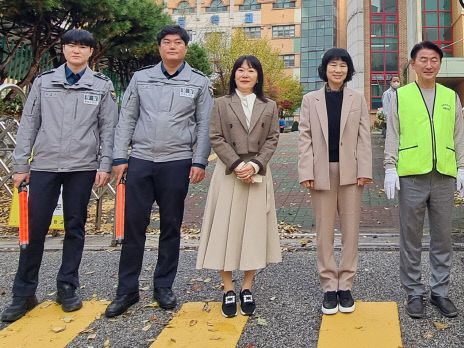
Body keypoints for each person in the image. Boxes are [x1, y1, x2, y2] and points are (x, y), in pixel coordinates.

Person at [1, 29, 118, 322]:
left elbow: (108, 128)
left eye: (82, 47)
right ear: (63, 50)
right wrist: (20, 166)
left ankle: (67, 286)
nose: (76, 51)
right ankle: (24, 293)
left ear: (91, 52)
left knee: (75, 227)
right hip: (44, 165)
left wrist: (104, 165)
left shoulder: (101, 86)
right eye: (71, 46)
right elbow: (28, 125)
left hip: (82, 166)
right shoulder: (43, 82)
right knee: (34, 230)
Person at [105, 25, 213, 318]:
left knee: (171, 225)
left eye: (178, 43)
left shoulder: (199, 82)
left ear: (185, 48)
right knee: (133, 226)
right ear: (159, 47)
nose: (172, 47)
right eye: (166, 42)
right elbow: (127, 118)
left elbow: (205, 125)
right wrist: (119, 157)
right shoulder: (141, 78)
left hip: (177, 162)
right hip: (140, 159)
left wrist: (199, 160)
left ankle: (163, 286)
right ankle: (126, 290)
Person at [384, 41, 464, 319]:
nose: (429, 64)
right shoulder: (401, 95)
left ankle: (440, 292)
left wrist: (463, 168)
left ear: (439, 64)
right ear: (413, 64)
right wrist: (389, 167)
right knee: (410, 237)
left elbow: (459, 134)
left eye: (434, 59)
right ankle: (413, 292)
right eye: (423, 59)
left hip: (444, 175)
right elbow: (393, 133)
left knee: (443, 237)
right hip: (411, 175)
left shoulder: (449, 96)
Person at [197, 55, 281, 318]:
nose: (245, 74)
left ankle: (247, 286)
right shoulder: (221, 104)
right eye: (240, 70)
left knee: (253, 232)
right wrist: (236, 165)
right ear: (233, 75)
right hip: (228, 172)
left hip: (257, 172)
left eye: (251, 70)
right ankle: (227, 288)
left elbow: (272, 138)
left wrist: (255, 165)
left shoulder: (269, 106)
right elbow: (216, 136)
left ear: (258, 76)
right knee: (226, 230)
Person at [298, 48, 372, 315]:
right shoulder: (310, 100)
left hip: (351, 172)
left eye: (343, 65)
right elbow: (304, 136)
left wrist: (365, 169)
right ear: (325, 69)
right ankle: (329, 285)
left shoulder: (358, 98)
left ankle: (346, 284)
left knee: (351, 230)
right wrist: (306, 171)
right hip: (321, 171)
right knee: (324, 231)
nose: (338, 70)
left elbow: (365, 136)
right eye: (333, 65)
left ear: (348, 70)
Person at [381, 75, 400, 140]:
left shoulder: (400, 92)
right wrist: (389, 120)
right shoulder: (387, 93)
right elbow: (386, 109)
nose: (396, 83)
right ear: (390, 82)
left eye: (398, 81)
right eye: (394, 81)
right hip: (391, 120)